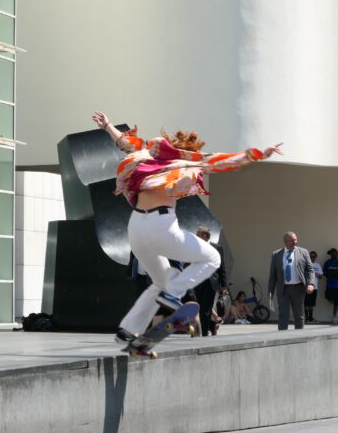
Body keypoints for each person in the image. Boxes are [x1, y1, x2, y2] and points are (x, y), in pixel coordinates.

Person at [92, 111, 282, 348]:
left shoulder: (146, 154)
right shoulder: (188, 161)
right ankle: (174, 294)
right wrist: (255, 154)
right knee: (212, 257)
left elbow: (125, 142)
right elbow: (221, 161)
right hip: (161, 227)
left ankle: (128, 331)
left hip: (135, 228)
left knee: (161, 280)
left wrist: (108, 125)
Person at [268, 231, 316, 330]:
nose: (295, 242)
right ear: (285, 241)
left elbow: (310, 269)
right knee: (283, 314)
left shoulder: (303, 252)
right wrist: (270, 291)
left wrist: (310, 283)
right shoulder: (276, 254)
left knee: (299, 315)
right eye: (292, 240)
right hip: (283, 289)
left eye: (296, 240)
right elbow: (273, 275)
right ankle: (282, 337)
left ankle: (299, 337)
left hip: (298, 288)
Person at [192, 226, 227, 336]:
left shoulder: (217, 248)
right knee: (196, 307)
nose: (196, 236)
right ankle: (211, 326)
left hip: (211, 283)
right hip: (197, 282)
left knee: (206, 310)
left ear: (204, 236)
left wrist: (224, 285)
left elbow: (222, 267)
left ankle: (203, 333)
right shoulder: (195, 246)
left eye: (198, 234)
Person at [322, 248, 338, 324]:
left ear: (336, 253)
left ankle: (334, 316)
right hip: (330, 285)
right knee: (329, 298)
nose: (332, 255)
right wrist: (330, 274)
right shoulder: (327, 262)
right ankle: (333, 303)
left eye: (333, 253)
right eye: (331, 254)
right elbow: (323, 272)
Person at [305, 251, 323, 322]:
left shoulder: (317, 265)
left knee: (311, 304)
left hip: (315, 287)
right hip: (307, 286)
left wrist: (316, 274)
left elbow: (321, 276)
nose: (312, 258)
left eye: (313, 256)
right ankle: (306, 318)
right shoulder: (306, 264)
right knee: (306, 303)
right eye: (311, 256)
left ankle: (311, 318)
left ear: (316, 257)